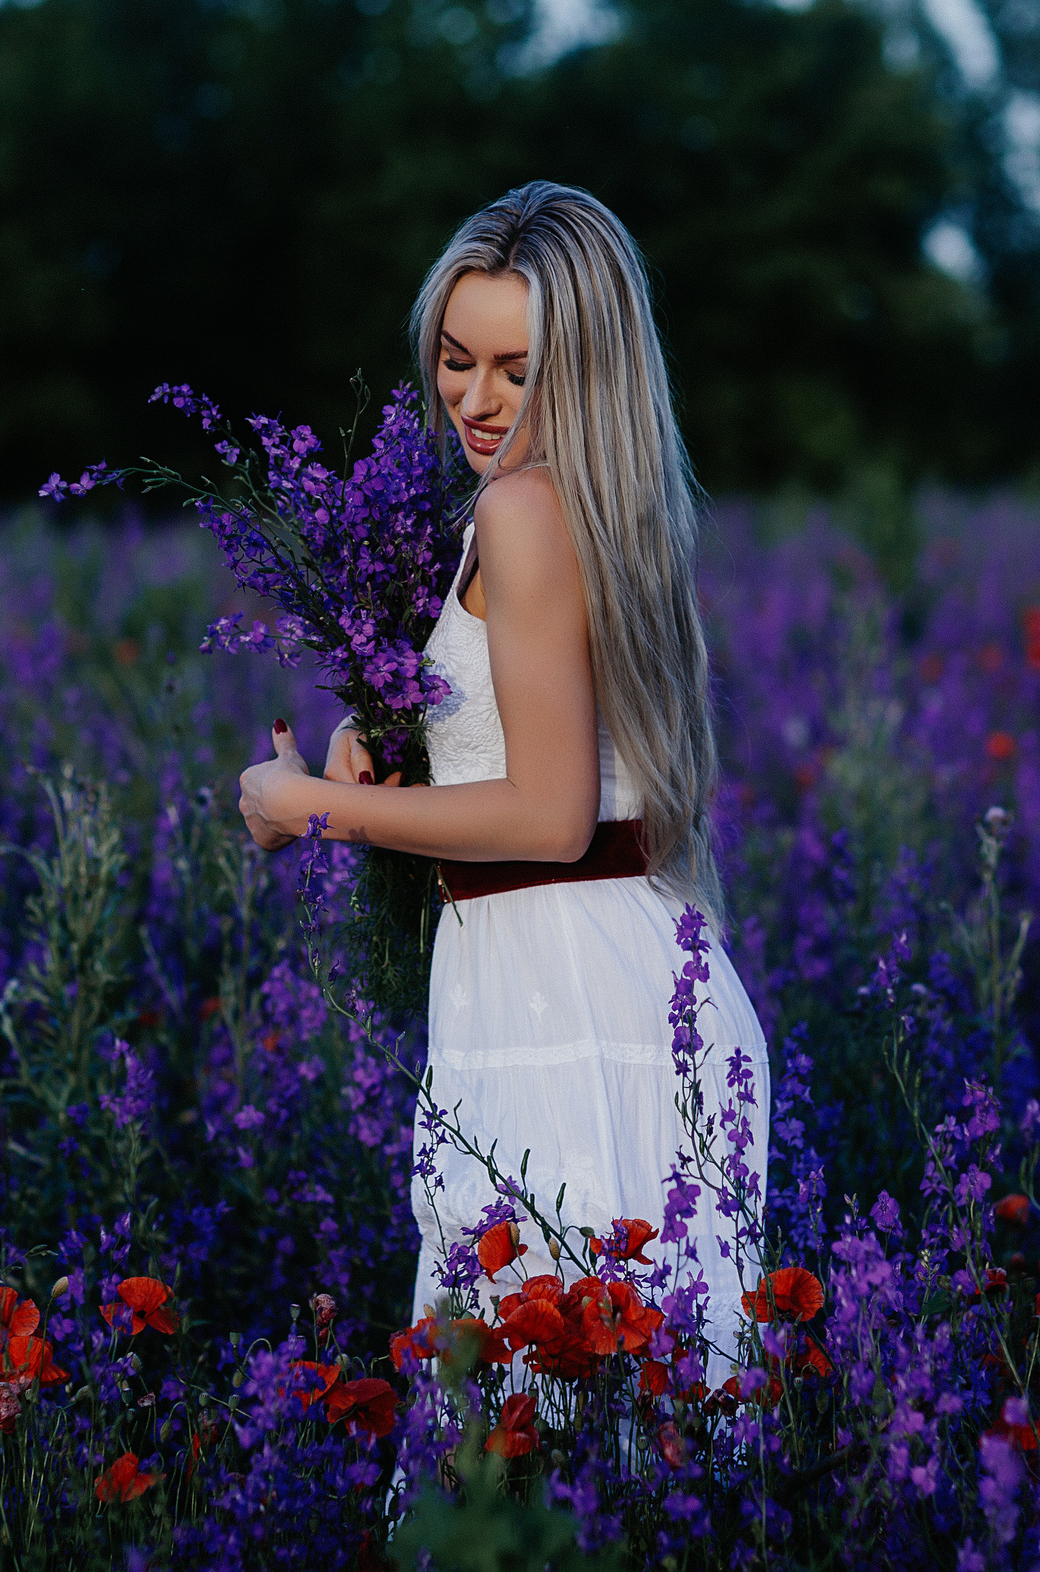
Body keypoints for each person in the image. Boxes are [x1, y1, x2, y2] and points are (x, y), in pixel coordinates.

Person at [235, 181, 767, 1360]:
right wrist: (393, 751)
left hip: (568, 1002)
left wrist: (312, 808)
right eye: (454, 359)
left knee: (534, 1416)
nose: (474, 400)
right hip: (594, 980)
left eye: (517, 372)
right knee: (622, 1418)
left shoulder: (525, 510)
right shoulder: (597, 504)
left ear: (584, 370)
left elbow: (549, 813)